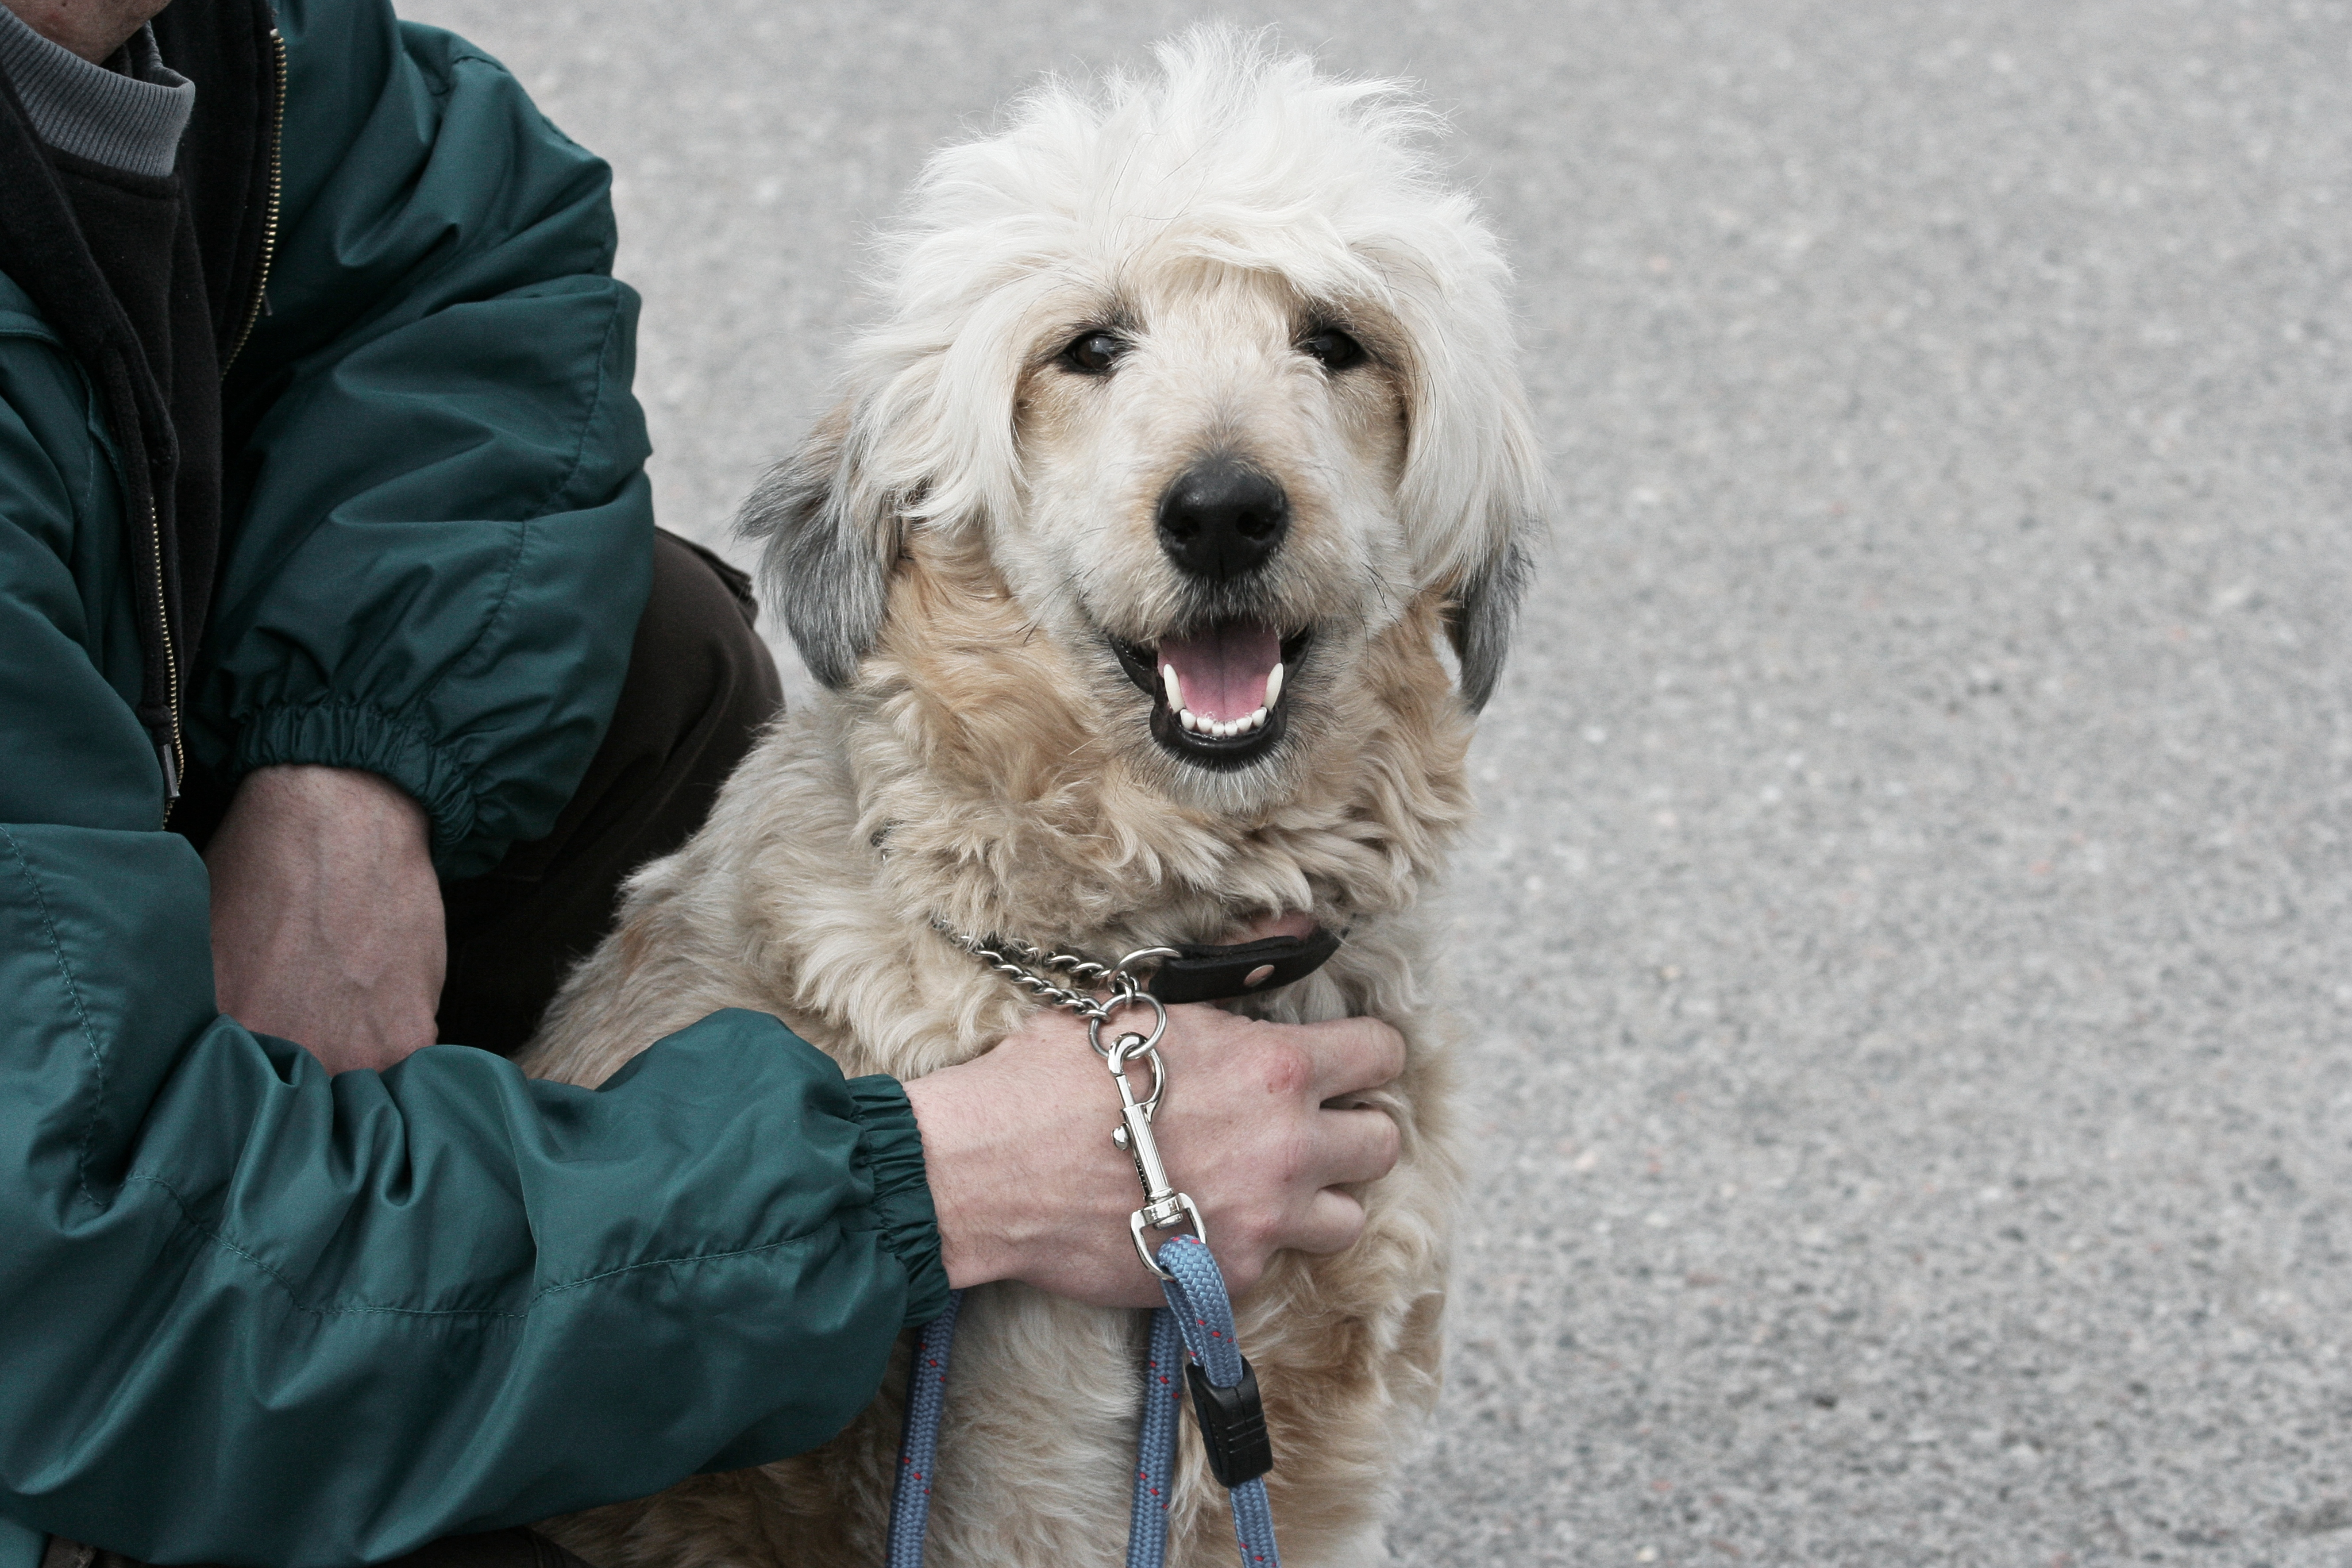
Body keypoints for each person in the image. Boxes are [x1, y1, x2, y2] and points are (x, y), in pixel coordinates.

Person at [0, 3, 1407, 1567]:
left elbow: (457, 250)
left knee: (640, 657)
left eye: (1330, 349)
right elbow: (84, 1263)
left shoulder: (206, 31)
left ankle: (467, 1262)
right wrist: (930, 1181)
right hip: (64, 1315)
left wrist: (346, 769)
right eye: (1090, 352)